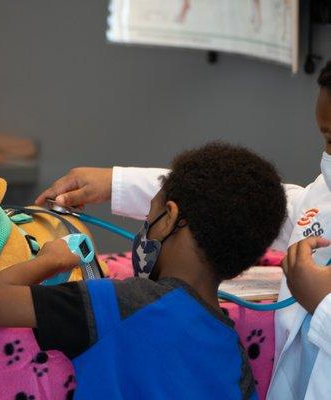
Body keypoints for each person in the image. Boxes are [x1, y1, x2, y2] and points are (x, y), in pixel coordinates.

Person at [33, 61, 331, 400]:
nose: (327, 154)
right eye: (325, 138)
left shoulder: (123, 304)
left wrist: (323, 306)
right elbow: (239, 200)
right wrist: (114, 183)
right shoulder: (323, 194)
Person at [0, 142, 286, 399]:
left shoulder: (121, 302)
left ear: (170, 217)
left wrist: (49, 260)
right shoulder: (231, 351)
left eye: (149, 214)